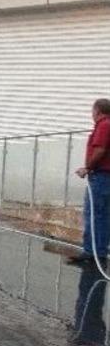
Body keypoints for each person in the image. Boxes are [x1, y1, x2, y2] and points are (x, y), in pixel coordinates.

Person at [71, 99, 110, 263]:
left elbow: (100, 149)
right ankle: (99, 252)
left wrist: (87, 168)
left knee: (94, 214)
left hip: (101, 176)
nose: (91, 114)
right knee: (103, 215)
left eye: (92, 111)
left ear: (98, 111)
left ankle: (91, 252)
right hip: (105, 177)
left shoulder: (104, 125)